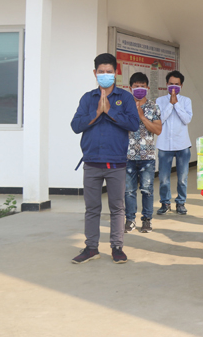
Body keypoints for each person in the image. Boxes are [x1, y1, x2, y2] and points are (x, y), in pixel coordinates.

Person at [70, 53, 139, 264]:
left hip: (116, 163)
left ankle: (117, 247)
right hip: (91, 162)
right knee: (92, 208)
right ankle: (91, 248)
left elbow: (133, 124)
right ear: (95, 73)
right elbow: (75, 125)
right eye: (101, 72)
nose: (105, 75)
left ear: (116, 73)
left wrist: (109, 112)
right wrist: (96, 113)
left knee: (117, 207)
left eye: (109, 71)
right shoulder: (87, 98)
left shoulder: (125, 98)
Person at [124, 72, 162, 234]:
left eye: (142, 86)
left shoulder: (153, 107)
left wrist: (142, 117)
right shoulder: (125, 106)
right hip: (128, 155)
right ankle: (130, 219)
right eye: (136, 86)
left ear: (147, 88)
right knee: (129, 191)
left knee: (147, 190)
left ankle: (147, 220)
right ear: (130, 88)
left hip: (147, 156)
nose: (139, 89)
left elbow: (158, 130)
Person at [156, 70, 193, 216]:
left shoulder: (186, 101)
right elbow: (159, 120)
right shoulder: (159, 101)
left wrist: (176, 104)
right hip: (164, 145)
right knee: (164, 178)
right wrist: (170, 105)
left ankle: (181, 203)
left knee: (182, 178)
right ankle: (165, 203)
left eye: (176, 84)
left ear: (181, 85)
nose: (173, 87)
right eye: (171, 84)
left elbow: (186, 119)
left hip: (182, 144)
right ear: (166, 84)